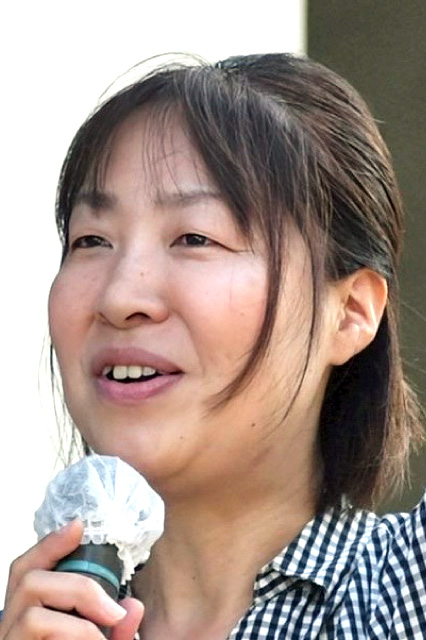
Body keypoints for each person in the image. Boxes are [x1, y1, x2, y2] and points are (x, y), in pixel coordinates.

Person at [0, 52, 424, 639]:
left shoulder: (405, 592)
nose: (120, 297)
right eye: (91, 240)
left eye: (195, 237)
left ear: (349, 312)